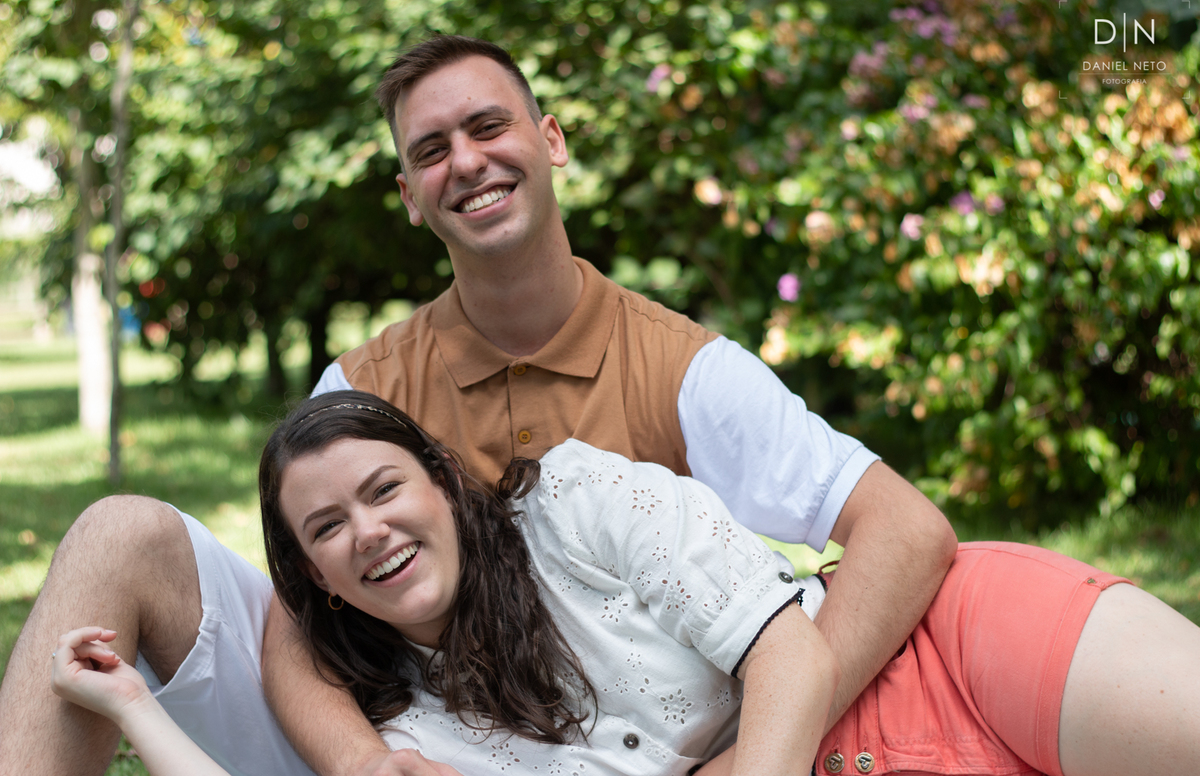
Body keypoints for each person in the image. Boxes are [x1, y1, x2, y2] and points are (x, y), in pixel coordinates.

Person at [0, 35, 955, 776]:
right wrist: (361, 759)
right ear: (410, 194)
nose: (466, 160)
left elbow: (905, 531)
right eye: (431, 149)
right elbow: (297, 622)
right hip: (391, 737)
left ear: (550, 141)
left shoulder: (684, 369)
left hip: (624, 742)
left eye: (489, 127)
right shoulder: (365, 388)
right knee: (117, 533)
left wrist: (764, 740)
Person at [50, 392, 1200, 776]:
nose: (371, 532)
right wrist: (137, 709)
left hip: (946, 657)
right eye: (326, 529)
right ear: (314, 579)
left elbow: (783, 645)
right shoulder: (420, 733)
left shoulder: (579, 500)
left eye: (383, 488)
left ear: (443, 482)